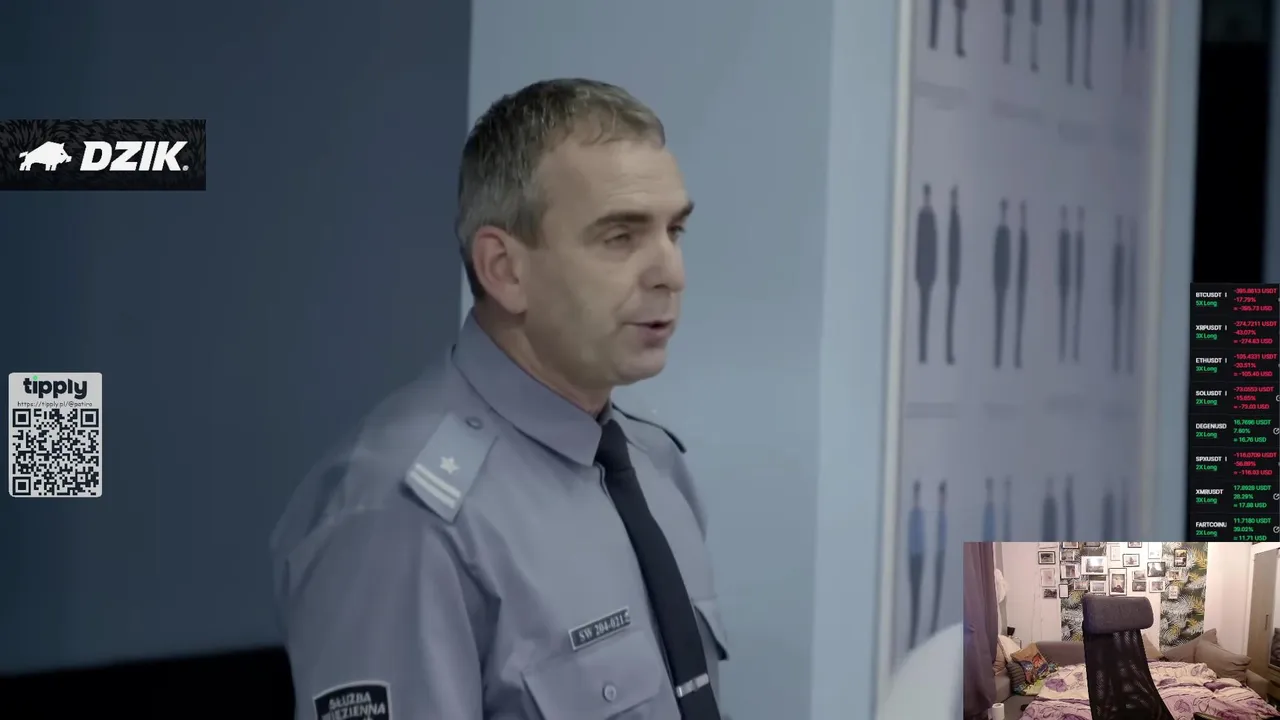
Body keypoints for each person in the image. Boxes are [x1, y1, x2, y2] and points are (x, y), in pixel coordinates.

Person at [269, 78, 729, 720]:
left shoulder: (655, 466)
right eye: (620, 237)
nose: (670, 273)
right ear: (505, 270)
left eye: (673, 231)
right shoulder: (402, 518)